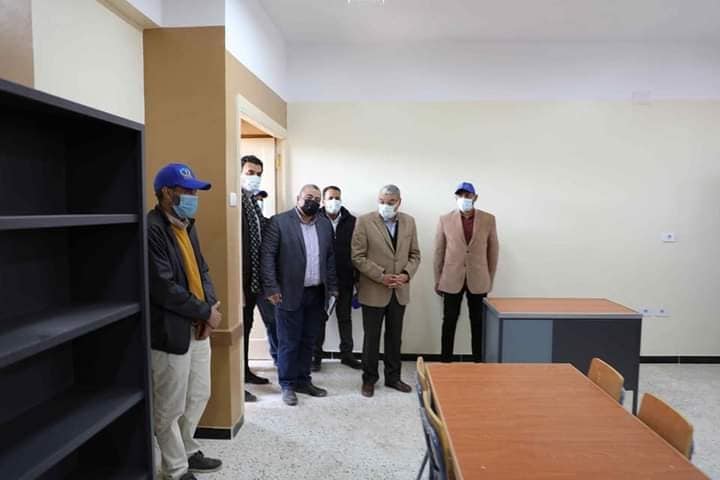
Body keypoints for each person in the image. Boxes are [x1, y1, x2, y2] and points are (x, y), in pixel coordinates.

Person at [148, 163, 223, 480]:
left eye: (195, 191)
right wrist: (204, 312)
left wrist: (210, 307)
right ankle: (175, 470)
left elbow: (202, 269)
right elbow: (163, 287)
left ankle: (189, 451)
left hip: (198, 326)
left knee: (198, 394)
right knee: (169, 407)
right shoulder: (152, 229)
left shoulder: (187, 225)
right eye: (187, 190)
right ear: (167, 192)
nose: (194, 196)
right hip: (171, 331)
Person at [261, 184, 339, 406]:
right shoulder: (279, 222)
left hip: (317, 292)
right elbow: (268, 256)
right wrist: (271, 288)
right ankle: (287, 384)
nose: (312, 201)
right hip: (287, 292)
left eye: (316, 198)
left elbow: (330, 258)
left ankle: (304, 380)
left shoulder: (324, 224)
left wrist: (333, 288)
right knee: (288, 341)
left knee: (308, 340)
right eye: (308, 197)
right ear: (298, 198)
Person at [352, 184, 421, 398]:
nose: (386, 205)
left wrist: (406, 275)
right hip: (374, 289)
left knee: (394, 337)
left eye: (391, 202)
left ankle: (393, 377)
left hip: (399, 290)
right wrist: (381, 276)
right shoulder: (364, 221)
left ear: (399, 202)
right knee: (371, 338)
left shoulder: (409, 222)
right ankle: (369, 379)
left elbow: (415, 255)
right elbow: (357, 256)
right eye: (382, 201)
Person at [434, 182, 499, 363]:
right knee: (449, 321)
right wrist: (438, 279)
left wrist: (489, 278)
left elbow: (493, 250)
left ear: (475, 197)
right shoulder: (445, 219)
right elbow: (439, 251)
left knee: (478, 322)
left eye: (468, 195)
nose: (464, 198)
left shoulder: (488, 219)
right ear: (456, 197)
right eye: (460, 195)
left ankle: (478, 362)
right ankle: (445, 361)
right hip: (451, 278)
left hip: (478, 278)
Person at [240, 155, 278, 402]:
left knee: (247, 326)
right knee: (239, 329)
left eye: (258, 174)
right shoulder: (235, 200)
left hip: (254, 280)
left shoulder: (252, 202)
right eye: (250, 172)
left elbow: (263, 228)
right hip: (240, 279)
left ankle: (244, 371)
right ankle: (236, 380)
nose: (255, 177)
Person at [313, 186, 362, 371]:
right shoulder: (315, 219)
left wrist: (357, 278)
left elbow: (358, 250)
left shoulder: (352, 221)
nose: (334, 201)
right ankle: (316, 356)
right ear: (323, 200)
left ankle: (347, 355)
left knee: (345, 318)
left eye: (337, 198)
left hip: (345, 278)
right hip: (321, 280)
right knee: (319, 319)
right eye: (330, 198)